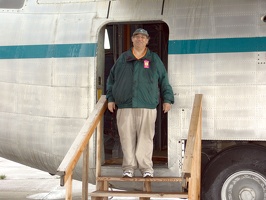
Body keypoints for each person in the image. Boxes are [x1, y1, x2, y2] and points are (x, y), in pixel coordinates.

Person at [106, 28, 174, 178]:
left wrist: (167, 99)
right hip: (125, 106)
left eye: (143, 37)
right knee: (126, 138)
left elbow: (164, 80)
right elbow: (111, 80)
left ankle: (146, 168)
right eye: (137, 36)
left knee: (146, 138)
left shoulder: (154, 59)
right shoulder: (123, 58)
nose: (140, 39)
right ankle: (129, 168)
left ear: (147, 40)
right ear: (132, 39)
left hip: (147, 105)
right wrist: (110, 99)